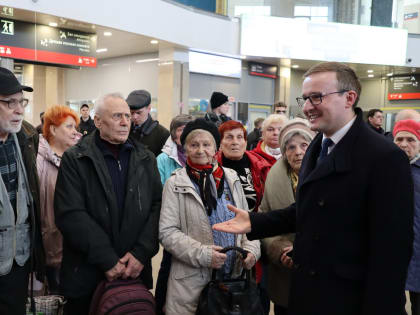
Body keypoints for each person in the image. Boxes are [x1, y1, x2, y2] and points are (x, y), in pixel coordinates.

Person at [213, 62, 414, 315]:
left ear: (349, 98)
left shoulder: (384, 157)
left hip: (350, 299)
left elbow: (392, 250)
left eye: (317, 97)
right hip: (309, 292)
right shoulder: (318, 144)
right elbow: (308, 208)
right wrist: (254, 222)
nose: (307, 107)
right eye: (305, 98)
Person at [54, 93, 162, 315]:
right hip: (86, 274)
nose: (125, 122)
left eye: (127, 116)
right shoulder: (76, 159)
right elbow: (71, 214)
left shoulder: (145, 158)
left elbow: (156, 206)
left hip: (134, 272)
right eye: (117, 116)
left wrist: (141, 253)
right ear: (97, 122)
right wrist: (108, 260)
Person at [159, 118, 260, 315]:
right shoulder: (175, 183)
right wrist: (204, 255)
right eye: (194, 145)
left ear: (216, 147)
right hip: (192, 281)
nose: (200, 150)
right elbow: (167, 233)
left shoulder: (231, 178)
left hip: (233, 278)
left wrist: (251, 251)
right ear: (185, 148)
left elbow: (246, 222)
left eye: (206, 144)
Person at [0, 67, 44, 315]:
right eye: (9, 102)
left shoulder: (26, 136)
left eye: (21, 102)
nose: (19, 110)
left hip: (19, 260)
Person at [215, 119, 271, 314]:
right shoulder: (212, 167)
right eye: (229, 137)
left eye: (240, 137)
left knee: (257, 294)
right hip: (225, 236)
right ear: (220, 142)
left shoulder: (260, 165)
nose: (235, 142)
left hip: (257, 234)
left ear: (246, 142)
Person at [259, 118, 314, 315]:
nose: (297, 151)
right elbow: (264, 219)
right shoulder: (274, 176)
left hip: (319, 269)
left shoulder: (327, 174)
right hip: (284, 271)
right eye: (290, 147)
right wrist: (279, 248)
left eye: (304, 145)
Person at [36, 105, 80, 294]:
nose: (75, 132)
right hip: (45, 247)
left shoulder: (76, 159)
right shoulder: (36, 160)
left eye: (75, 127)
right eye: (69, 127)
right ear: (53, 129)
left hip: (72, 247)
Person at [154, 113, 194, 315]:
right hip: (173, 222)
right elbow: (159, 191)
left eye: (188, 128)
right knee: (169, 264)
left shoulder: (199, 153)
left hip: (196, 223)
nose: (185, 132)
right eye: (180, 129)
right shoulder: (163, 159)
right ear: (173, 133)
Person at [393, 119, 420, 315]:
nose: (404, 144)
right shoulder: (383, 169)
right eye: (399, 139)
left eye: (410, 139)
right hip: (393, 250)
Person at [126, 89, 170, 157]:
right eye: (131, 113)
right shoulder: (125, 129)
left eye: (139, 112)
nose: (134, 117)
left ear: (149, 108)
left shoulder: (162, 134)